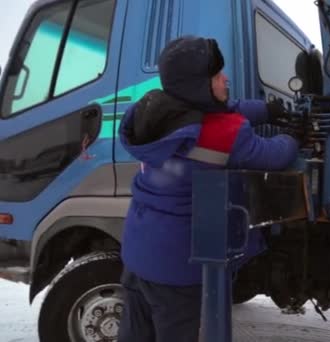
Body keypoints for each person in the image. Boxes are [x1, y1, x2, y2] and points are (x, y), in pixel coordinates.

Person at [117, 35, 303, 342]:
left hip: (137, 254)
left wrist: (268, 111)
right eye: (217, 75)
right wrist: (293, 136)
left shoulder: (150, 113)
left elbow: (227, 108)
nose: (225, 78)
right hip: (177, 267)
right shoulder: (223, 134)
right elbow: (274, 155)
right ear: (198, 87)